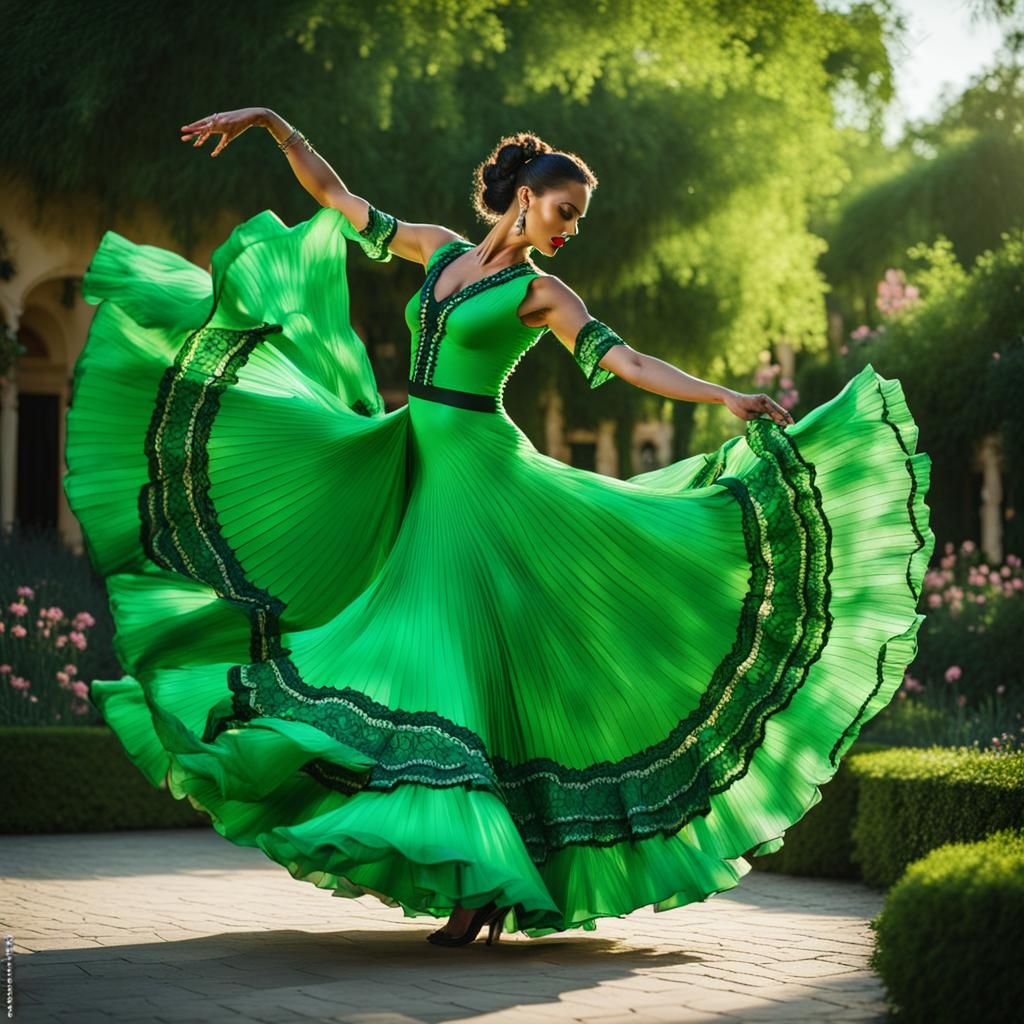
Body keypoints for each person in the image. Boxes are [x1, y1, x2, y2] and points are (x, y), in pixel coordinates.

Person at [64, 108, 935, 949]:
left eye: (578, 219)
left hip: (485, 482)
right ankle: (476, 875)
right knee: (414, 655)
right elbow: (336, 197)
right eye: (565, 211)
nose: (571, 229)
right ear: (526, 196)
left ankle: (479, 882)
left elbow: (626, 359)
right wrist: (269, 123)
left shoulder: (541, 292)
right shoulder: (440, 250)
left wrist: (724, 396)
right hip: (414, 465)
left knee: (457, 668)